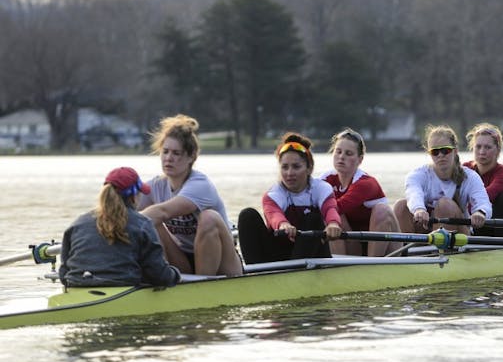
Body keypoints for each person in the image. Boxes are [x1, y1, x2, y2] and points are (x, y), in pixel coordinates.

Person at [138, 114, 243, 277]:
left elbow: (164, 212)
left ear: (191, 156)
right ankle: (162, 278)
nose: (168, 158)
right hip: (184, 260)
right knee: (152, 223)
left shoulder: (200, 185)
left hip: (223, 262)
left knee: (209, 217)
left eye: (176, 153)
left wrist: (127, 224)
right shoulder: (155, 186)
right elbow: (126, 209)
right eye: (165, 152)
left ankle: (200, 287)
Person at [59, 167, 180, 287]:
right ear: (134, 196)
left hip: (76, 285)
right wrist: (175, 274)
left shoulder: (78, 223)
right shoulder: (143, 224)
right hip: (122, 290)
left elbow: (63, 273)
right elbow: (159, 276)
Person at [237, 132, 342, 264]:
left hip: (313, 254)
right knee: (247, 215)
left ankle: (295, 273)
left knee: (313, 219)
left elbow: (330, 209)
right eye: (285, 167)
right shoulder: (273, 194)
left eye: (296, 167)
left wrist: (333, 223)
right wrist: (283, 224)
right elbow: (274, 215)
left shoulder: (322, 189)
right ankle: (256, 274)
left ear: (309, 168)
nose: (289, 173)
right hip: (279, 253)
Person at [394, 124, 492, 234]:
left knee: (444, 205)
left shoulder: (470, 177)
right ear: (429, 154)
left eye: (445, 151)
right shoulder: (417, 175)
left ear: (455, 151)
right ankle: (406, 248)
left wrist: (480, 212)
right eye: (435, 152)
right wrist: (419, 209)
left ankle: (442, 248)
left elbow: (483, 202)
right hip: (426, 232)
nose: (440, 155)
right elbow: (413, 194)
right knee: (401, 206)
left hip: (459, 234)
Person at [321, 128, 401, 257]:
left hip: (384, 248)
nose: (341, 157)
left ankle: (372, 266)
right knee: (332, 215)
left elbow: (339, 206)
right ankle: (335, 266)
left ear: (360, 159)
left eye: (348, 153)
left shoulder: (366, 183)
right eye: (338, 151)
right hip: (354, 245)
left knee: (381, 209)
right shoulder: (326, 179)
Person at [463, 122, 503, 236]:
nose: (482, 151)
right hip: (479, 223)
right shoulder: (464, 169)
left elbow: (484, 198)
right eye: (478, 146)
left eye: (487, 147)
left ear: (497, 150)